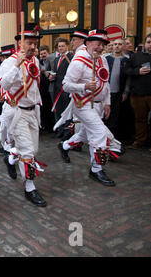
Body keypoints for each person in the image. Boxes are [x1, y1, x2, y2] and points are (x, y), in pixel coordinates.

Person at [56, 29, 123, 186]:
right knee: (99, 134)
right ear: (88, 43)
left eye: (103, 45)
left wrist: (107, 103)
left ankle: (64, 145)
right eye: (98, 44)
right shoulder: (79, 61)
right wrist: (84, 86)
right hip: (84, 104)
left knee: (86, 135)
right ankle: (96, 169)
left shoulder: (103, 60)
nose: (101, 48)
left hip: (98, 105)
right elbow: (65, 85)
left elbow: (105, 83)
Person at [0, 23, 47, 207]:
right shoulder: (10, 62)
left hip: (32, 111)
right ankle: (30, 188)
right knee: (28, 151)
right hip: (17, 111)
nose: (33, 46)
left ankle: (10, 158)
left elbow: (35, 89)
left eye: (35, 43)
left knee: (33, 150)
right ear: (19, 42)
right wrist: (17, 65)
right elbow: (3, 85)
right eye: (29, 42)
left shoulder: (34, 61)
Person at [123, 33, 151, 150]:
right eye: (149, 42)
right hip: (138, 94)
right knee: (140, 119)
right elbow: (126, 70)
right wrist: (138, 71)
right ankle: (140, 141)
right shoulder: (136, 56)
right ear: (144, 44)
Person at [105, 38, 129, 138]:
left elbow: (128, 78)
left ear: (123, 46)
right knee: (104, 115)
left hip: (119, 93)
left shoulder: (126, 60)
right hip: (106, 92)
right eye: (115, 44)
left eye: (119, 44)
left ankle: (112, 137)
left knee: (115, 116)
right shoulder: (106, 59)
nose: (117, 46)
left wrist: (126, 92)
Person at [51, 38, 74, 122]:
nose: (60, 48)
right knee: (59, 109)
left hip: (66, 89)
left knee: (67, 111)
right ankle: (60, 130)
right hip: (57, 88)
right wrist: (52, 77)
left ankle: (67, 131)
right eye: (59, 46)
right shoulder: (56, 59)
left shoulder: (71, 58)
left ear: (67, 46)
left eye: (62, 46)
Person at [38, 45, 55, 132]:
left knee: (51, 107)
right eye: (41, 54)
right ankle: (45, 126)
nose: (43, 55)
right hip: (42, 89)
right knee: (44, 108)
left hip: (51, 86)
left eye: (45, 53)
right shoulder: (38, 63)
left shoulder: (53, 61)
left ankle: (53, 125)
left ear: (48, 53)